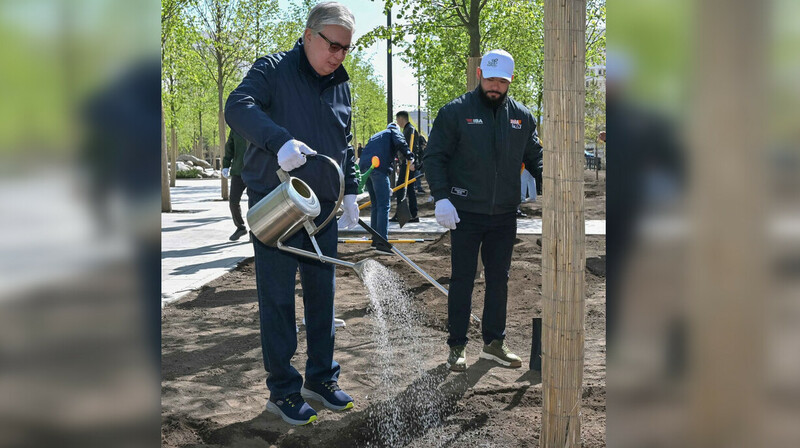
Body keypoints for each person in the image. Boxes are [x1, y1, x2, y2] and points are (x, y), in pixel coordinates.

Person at [224, 2, 358, 426]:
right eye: (332, 45)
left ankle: (321, 379)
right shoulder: (273, 70)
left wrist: (350, 191)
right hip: (276, 204)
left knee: (323, 298)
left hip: (324, 212)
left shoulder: (342, 86)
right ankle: (282, 390)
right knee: (278, 302)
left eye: (345, 49)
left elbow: (346, 141)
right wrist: (278, 140)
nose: (338, 55)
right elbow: (237, 106)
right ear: (308, 35)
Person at [424, 49, 543, 372]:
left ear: (510, 81)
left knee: (499, 279)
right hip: (464, 211)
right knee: (462, 278)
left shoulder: (522, 117)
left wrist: (557, 189)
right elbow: (434, 157)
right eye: (489, 79)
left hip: (504, 214)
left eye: (501, 81)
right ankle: (457, 346)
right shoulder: (455, 112)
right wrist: (441, 197)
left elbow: (536, 158)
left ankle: (494, 343)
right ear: (479, 75)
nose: (494, 86)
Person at [358, 123, 415, 251]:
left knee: (376, 205)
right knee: (384, 205)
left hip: (365, 167)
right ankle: (382, 242)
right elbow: (400, 142)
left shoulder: (377, 135)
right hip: (378, 167)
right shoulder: (393, 131)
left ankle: (375, 239)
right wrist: (410, 157)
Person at [390, 111, 421, 223]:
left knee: (401, 188)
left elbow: (414, 148)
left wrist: (413, 163)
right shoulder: (407, 130)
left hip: (409, 164)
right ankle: (411, 213)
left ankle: (408, 214)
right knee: (408, 188)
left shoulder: (410, 130)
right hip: (407, 163)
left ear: (401, 119)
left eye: (397, 120)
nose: (397, 122)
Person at [222, 128, 249, 241]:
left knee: (255, 203)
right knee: (233, 201)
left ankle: (256, 231)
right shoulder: (236, 128)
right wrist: (226, 165)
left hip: (256, 172)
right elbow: (229, 147)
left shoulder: (258, 124)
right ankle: (240, 227)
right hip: (238, 171)